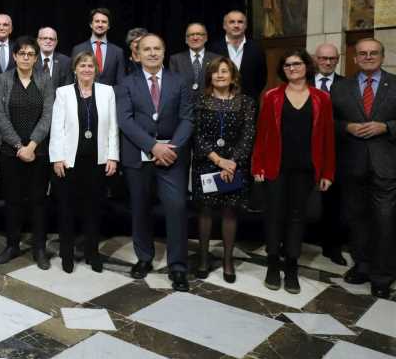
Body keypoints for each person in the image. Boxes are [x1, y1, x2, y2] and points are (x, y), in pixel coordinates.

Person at [252, 50, 335, 294]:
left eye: (296, 63)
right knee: (274, 215)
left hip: (307, 169)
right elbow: (262, 135)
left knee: (297, 217)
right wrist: (258, 166)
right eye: (287, 65)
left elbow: (328, 138)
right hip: (276, 166)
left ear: (306, 66)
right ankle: (272, 264)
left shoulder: (322, 98)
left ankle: (291, 266)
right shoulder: (272, 96)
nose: (292, 68)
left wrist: (327, 172)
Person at [115, 34, 194, 291]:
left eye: (156, 48)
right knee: (140, 208)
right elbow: (125, 120)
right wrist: (152, 147)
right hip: (138, 156)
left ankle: (178, 267)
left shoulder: (179, 81)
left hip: (172, 155)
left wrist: (170, 147)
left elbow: (187, 118)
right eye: (146, 49)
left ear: (164, 51)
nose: (151, 53)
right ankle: (144, 258)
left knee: (177, 208)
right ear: (137, 53)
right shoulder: (127, 83)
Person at [331, 38, 396, 298]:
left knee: (385, 220)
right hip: (352, 164)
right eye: (362, 54)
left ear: (382, 55)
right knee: (356, 219)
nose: (368, 57)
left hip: (386, 165)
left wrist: (387, 127)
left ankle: (382, 276)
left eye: (373, 53)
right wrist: (346, 127)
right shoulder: (341, 88)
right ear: (354, 58)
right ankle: (363, 266)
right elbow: (329, 123)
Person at [49, 50, 119, 273]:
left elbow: (112, 128)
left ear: (96, 69)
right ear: (75, 69)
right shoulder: (63, 93)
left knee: (94, 209)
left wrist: (113, 156)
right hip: (70, 161)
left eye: (91, 66)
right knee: (67, 209)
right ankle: (67, 254)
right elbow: (57, 128)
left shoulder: (107, 92)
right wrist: (57, 157)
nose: (87, 69)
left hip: (97, 161)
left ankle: (92, 253)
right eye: (83, 66)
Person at [192, 57, 256, 283]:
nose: (220, 75)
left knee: (230, 212)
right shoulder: (199, 100)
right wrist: (218, 161)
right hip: (207, 162)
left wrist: (232, 162)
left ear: (233, 76)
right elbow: (196, 134)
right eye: (215, 72)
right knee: (206, 211)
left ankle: (228, 261)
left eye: (224, 71)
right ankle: (202, 259)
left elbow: (248, 135)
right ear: (209, 76)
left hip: (234, 164)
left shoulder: (246, 102)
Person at [0, 36, 55, 269]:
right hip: (11, 152)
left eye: (31, 54)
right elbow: (0, 116)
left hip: (38, 153)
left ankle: (39, 248)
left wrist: (32, 145)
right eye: (22, 53)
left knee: (39, 201)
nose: (26, 57)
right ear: (15, 56)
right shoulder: (3, 79)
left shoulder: (44, 79)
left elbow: (48, 115)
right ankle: (12, 245)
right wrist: (20, 147)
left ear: (36, 57)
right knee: (12, 201)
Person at [313, 42, 346, 266]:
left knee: (334, 201)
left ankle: (332, 247)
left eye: (332, 59)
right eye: (323, 58)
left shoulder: (347, 85)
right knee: (298, 198)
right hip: (304, 151)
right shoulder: (302, 83)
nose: (327, 62)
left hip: (336, 151)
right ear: (316, 59)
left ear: (338, 60)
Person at [211, 10, 268, 104]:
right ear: (224, 26)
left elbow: (261, 78)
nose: (236, 25)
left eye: (240, 22)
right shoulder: (214, 49)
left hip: (249, 103)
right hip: (219, 102)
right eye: (232, 22)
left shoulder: (256, 49)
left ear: (245, 26)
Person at [71, 8, 126, 86]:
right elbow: (73, 78)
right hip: (84, 96)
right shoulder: (78, 49)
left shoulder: (118, 52)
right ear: (91, 24)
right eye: (97, 21)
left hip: (110, 97)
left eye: (104, 22)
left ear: (108, 26)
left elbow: (121, 82)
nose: (100, 25)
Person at [169, 23, 219, 94]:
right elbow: (173, 87)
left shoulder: (217, 59)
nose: (195, 38)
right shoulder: (176, 60)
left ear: (206, 38)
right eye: (191, 35)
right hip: (183, 104)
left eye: (199, 34)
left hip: (210, 103)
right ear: (186, 40)